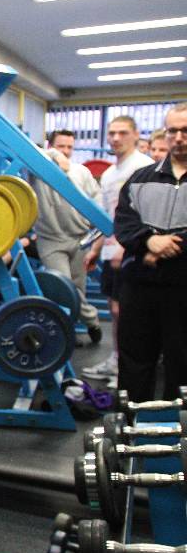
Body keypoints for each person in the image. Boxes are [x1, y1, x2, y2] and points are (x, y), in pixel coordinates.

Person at [113, 104, 187, 402]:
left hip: (183, 288)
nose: (179, 137)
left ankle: (179, 426)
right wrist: (149, 241)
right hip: (140, 288)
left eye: (185, 131)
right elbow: (124, 222)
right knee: (134, 362)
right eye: (173, 131)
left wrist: (170, 246)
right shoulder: (140, 179)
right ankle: (134, 422)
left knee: (182, 365)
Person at [82, 116, 155, 386]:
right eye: (111, 133)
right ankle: (116, 361)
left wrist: (129, 247)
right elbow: (108, 217)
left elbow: (150, 215)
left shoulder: (144, 167)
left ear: (136, 135)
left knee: (131, 313)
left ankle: (128, 368)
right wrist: (95, 248)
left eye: (122, 133)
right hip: (111, 252)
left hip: (133, 252)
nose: (115, 138)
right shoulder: (111, 173)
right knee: (115, 311)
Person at [32, 131, 103, 344]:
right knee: (63, 286)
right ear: (50, 146)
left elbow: (96, 198)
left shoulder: (81, 171)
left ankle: (68, 332)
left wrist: (97, 227)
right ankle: (92, 320)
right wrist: (55, 155)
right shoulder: (37, 168)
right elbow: (31, 149)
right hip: (50, 240)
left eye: (69, 147)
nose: (66, 151)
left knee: (78, 289)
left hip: (80, 238)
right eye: (61, 146)